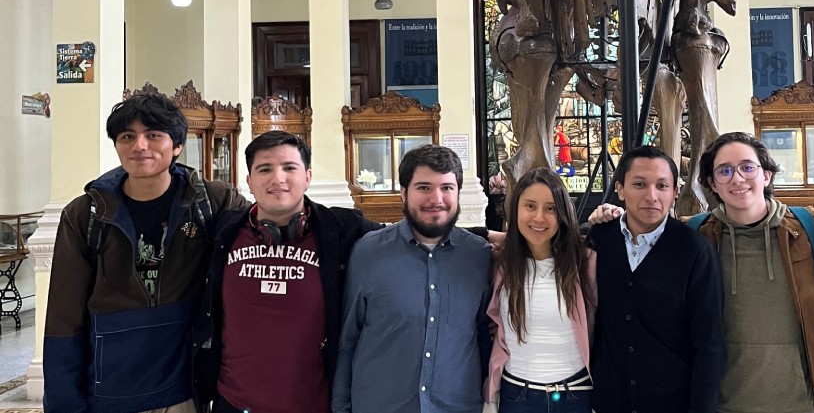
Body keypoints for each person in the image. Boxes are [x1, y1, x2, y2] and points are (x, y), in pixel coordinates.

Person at [590, 131, 814, 413]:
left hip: (798, 399)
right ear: (711, 183)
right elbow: (650, 227)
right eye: (724, 171)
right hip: (725, 399)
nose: (737, 178)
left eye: (747, 167)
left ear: (766, 174)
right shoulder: (698, 234)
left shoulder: (805, 228)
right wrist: (611, 216)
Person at [44, 93, 246, 413]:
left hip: (184, 390)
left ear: (177, 145)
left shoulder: (212, 202)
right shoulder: (86, 215)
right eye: (127, 136)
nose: (140, 146)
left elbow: (265, 236)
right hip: (113, 392)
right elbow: (63, 318)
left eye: (153, 135)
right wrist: (64, 403)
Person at [194, 131, 383, 413]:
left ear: (307, 176)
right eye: (264, 169)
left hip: (315, 404)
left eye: (289, 168)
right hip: (233, 403)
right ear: (249, 181)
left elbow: (405, 241)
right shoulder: (223, 231)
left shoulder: (343, 230)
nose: (277, 178)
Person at [332, 144, 492, 413]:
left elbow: (484, 337)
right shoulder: (368, 252)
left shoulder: (479, 256)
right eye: (424, 187)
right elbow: (347, 338)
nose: (436, 198)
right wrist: (340, 407)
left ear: (458, 193)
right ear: (404, 193)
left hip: (457, 406)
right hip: (380, 405)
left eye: (446, 188)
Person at [587, 145, 726, 413]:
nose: (651, 196)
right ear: (620, 189)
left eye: (662, 186)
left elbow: (709, 345)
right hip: (610, 403)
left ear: (675, 192)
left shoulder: (694, 250)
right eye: (639, 184)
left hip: (673, 402)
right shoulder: (600, 240)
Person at [485, 167, 596, 412]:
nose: (539, 218)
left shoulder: (586, 263)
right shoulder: (501, 264)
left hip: (576, 396)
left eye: (550, 208)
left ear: (563, 213)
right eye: (530, 206)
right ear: (515, 210)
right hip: (516, 396)